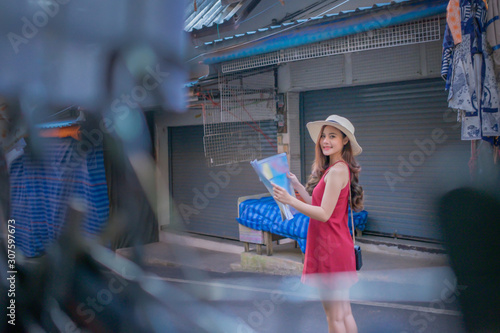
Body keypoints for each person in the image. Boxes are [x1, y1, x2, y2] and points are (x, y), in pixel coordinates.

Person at [272, 115, 363, 333]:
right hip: (337, 247)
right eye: (323, 135)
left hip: (329, 250)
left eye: (332, 136)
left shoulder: (337, 171)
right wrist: (296, 186)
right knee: (343, 313)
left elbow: (322, 214)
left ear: (345, 141)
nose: (325, 140)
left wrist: (289, 200)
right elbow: (319, 204)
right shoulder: (337, 169)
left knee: (334, 318)